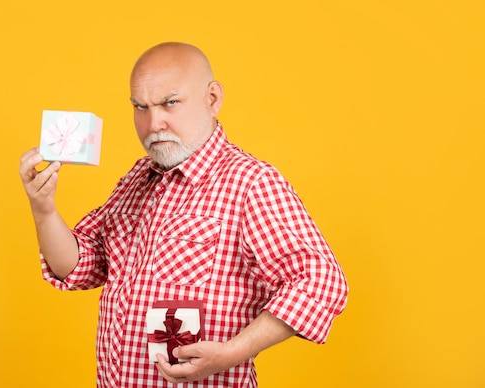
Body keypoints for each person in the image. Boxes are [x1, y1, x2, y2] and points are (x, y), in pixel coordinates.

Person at [19, 42, 348, 387]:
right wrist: (43, 209)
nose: (153, 122)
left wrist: (233, 352)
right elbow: (81, 265)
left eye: (169, 103)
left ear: (212, 99)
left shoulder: (251, 183)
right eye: (140, 107)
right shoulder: (136, 178)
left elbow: (322, 283)